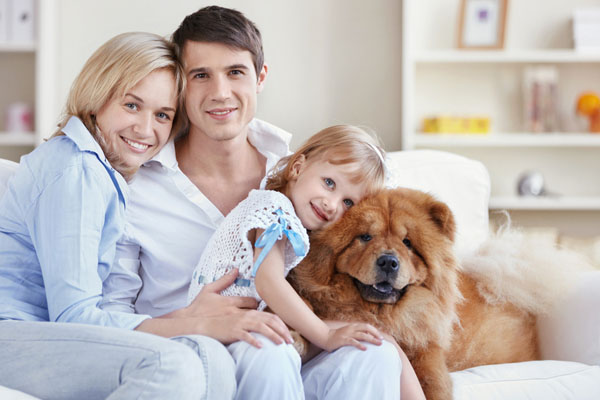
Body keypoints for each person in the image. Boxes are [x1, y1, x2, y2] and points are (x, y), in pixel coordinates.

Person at [102, 6, 425, 400]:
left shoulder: (307, 181)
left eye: (235, 72)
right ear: (181, 86)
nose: (220, 92)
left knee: (371, 354)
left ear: (260, 77)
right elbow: (105, 321)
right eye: (201, 75)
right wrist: (189, 319)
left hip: (290, 355)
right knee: (267, 349)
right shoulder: (137, 185)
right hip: (191, 359)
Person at [0, 32, 232, 400]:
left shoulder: (100, 172)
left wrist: (190, 320)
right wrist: (193, 320)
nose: (145, 129)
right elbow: (75, 317)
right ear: (98, 97)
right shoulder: (76, 168)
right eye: (131, 105)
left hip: (40, 339)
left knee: (209, 355)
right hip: (12, 338)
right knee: (173, 363)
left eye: (162, 115)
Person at [187, 125, 388, 354]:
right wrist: (326, 335)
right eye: (329, 183)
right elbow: (268, 282)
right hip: (213, 331)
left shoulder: (293, 219)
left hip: (230, 329)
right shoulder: (275, 208)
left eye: (348, 202)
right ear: (298, 168)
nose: (331, 204)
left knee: (372, 341)